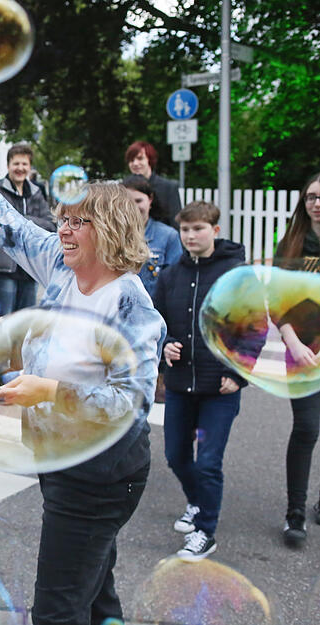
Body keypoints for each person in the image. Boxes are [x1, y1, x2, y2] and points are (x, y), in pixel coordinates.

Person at [0, 133, 165, 625]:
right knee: (93, 586)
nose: (62, 230)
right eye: (62, 220)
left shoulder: (131, 305)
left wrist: (47, 391)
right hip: (61, 458)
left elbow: (130, 405)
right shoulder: (62, 267)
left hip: (99, 475)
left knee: (57, 608)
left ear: (109, 229)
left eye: (77, 222)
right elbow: (5, 224)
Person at [152, 201, 247, 561]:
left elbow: (253, 327)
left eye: (198, 229)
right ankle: (197, 501)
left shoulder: (235, 273)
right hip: (179, 386)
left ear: (215, 231)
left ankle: (206, 530)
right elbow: (157, 323)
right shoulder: (171, 274)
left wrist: (237, 375)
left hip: (219, 390)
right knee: (176, 455)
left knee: (208, 461)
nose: (191, 236)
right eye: (185, 230)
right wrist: (165, 345)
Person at [273, 171, 320, 547]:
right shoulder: (290, 244)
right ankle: (296, 514)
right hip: (300, 350)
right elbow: (278, 302)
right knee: (306, 429)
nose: (316, 203)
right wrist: (292, 341)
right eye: (310, 197)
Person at [0, 143, 55, 321]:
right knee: (0, 323)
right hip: (3, 267)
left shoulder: (36, 192)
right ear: (8, 165)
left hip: (29, 267)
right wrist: (27, 222)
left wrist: (22, 220)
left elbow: (49, 224)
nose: (20, 168)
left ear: (30, 168)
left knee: (25, 324)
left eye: (24, 164)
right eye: (16, 164)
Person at [122, 175, 182, 296]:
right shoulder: (110, 235)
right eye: (129, 202)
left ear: (150, 199)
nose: (134, 207)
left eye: (138, 201)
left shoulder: (168, 236)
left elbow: (175, 282)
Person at [126, 141, 182, 224]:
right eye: (131, 160)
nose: (135, 163)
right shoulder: (123, 187)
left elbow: (176, 221)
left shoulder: (168, 187)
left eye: (140, 158)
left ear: (150, 160)